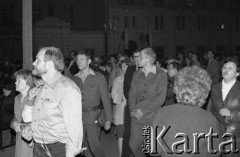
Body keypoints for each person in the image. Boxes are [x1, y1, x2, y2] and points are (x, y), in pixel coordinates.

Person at [21, 47, 84, 157]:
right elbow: (39, 117)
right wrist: (30, 132)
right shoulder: (42, 87)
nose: (34, 63)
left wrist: (71, 153)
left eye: (38, 60)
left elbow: (74, 129)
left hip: (58, 150)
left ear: (49, 64)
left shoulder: (67, 89)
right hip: (39, 147)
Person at [152, 66, 220, 157]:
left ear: (176, 89)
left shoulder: (162, 113)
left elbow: (153, 150)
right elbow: (214, 153)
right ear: (205, 93)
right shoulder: (211, 119)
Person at [71, 50, 112, 157]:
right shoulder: (74, 78)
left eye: (82, 59)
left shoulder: (99, 77)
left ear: (89, 61)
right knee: (79, 147)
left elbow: (106, 100)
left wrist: (108, 119)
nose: (79, 62)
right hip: (78, 117)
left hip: (93, 116)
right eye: (77, 60)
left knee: (94, 146)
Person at [128, 48, 168, 157]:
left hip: (153, 115)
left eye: (140, 57)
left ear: (147, 59)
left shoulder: (160, 75)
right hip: (136, 115)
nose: (137, 59)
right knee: (133, 145)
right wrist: (132, 111)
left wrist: (143, 111)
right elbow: (132, 94)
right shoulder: (136, 74)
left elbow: (161, 98)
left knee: (153, 149)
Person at [210, 58, 240, 157]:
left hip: (236, 135)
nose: (225, 70)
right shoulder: (215, 87)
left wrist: (230, 114)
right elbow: (212, 109)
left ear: (237, 74)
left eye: (230, 68)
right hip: (218, 133)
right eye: (224, 67)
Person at [10, 69, 34, 157]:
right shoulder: (17, 98)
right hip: (20, 136)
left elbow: (34, 122)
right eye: (16, 80)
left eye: (18, 80)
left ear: (28, 82)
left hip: (30, 137)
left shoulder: (33, 98)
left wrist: (19, 125)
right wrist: (14, 123)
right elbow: (16, 117)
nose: (15, 83)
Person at [122, 50, 140, 157]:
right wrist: (133, 104)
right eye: (135, 57)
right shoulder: (130, 69)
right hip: (131, 106)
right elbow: (126, 89)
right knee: (127, 134)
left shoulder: (149, 71)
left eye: (139, 56)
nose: (137, 59)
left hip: (144, 108)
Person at [111, 58, 131, 157]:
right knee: (121, 136)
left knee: (132, 137)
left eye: (125, 66)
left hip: (132, 113)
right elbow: (113, 94)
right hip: (121, 113)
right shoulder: (118, 79)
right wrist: (121, 97)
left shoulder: (136, 78)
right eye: (122, 66)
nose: (123, 69)